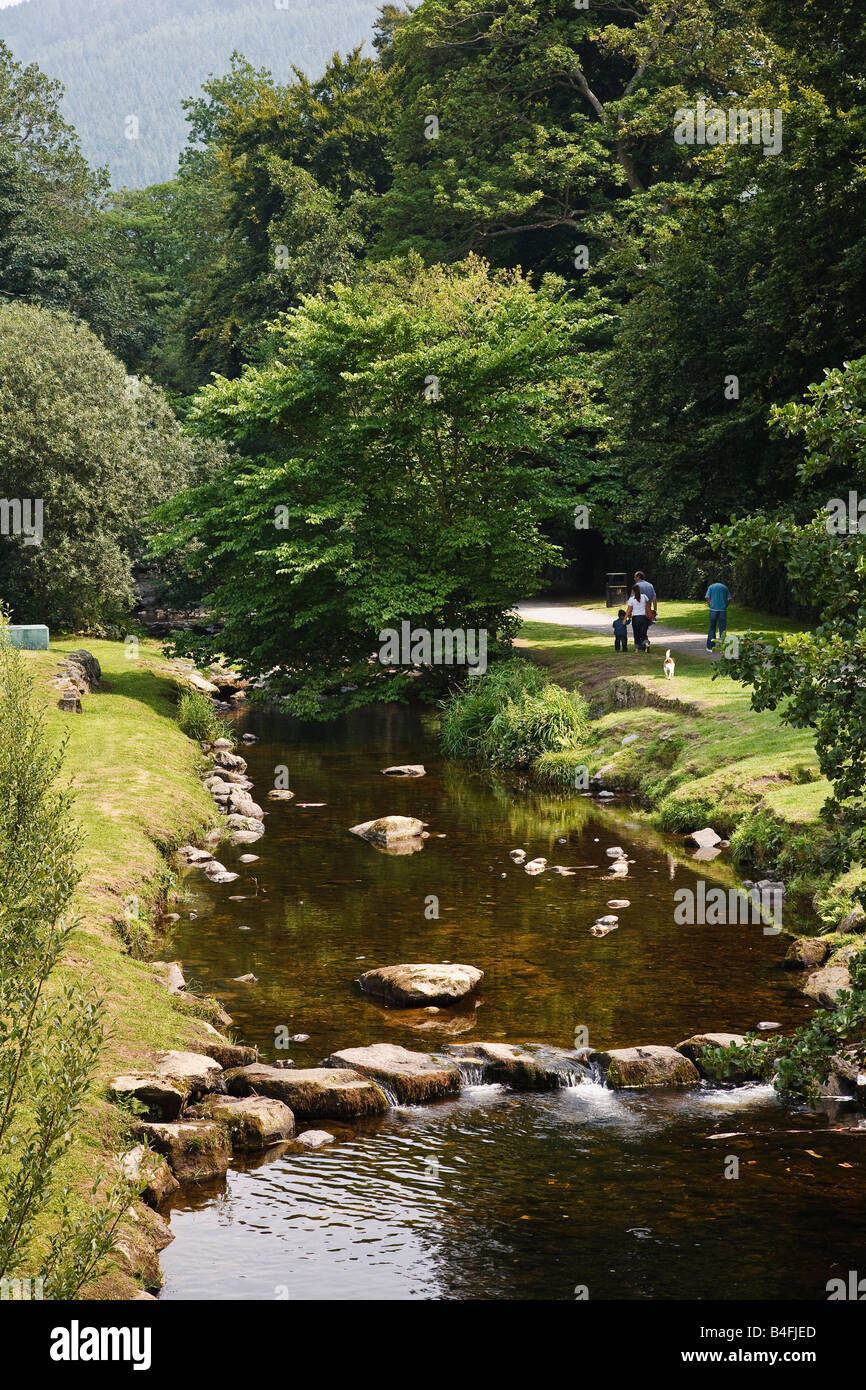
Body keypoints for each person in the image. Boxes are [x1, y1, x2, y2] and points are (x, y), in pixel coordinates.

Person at [705, 579, 732, 651]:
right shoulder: (725, 587)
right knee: (722, 629)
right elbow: (729, 599)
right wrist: (725, 606)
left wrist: (710, 605)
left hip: (713, 610)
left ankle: (710, 647)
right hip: (722, 610)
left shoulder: (711, 587)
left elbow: (707, 597)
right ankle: (723, 648)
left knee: (712, 628)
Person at [634, 570, 657, 649]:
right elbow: (654, 598)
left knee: (638, 629)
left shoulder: (636, 586)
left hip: (638, 612)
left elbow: (632, 599)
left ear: (638, 577)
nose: (634, 578)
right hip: (648, 611)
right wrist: (655, 610)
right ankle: (645, 643)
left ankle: (642, 644)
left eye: (635, 576)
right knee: (644, 628)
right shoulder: (650, 585)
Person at [625, 584, 650, 651]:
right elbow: (648, 606)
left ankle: (636, 648)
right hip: (644, 617)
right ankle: (646, 644)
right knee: (643, 633)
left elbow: (629, 610)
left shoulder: (631, 599)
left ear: (633, 591)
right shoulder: (644, 597)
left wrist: (625, 618)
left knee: (636, 633)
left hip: (636, 618)